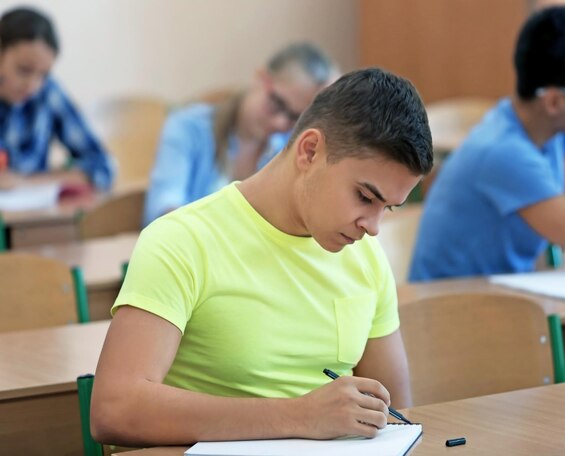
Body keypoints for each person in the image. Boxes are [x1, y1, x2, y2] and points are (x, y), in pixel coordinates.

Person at [91, 68, 433, 446]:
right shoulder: (181, 241)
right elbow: (115, 409)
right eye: (365, 197)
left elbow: (397, 417)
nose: (372, 226)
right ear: (309, 151)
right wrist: (299, 416)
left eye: (389, 208)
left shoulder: (366, 256)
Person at [409, 6, 565, 281]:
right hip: (454, 311)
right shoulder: (506, 155)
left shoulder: (534, 127)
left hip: (496, 300)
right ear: (555, 101)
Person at [143, 42, 339, 225]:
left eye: (294, 117)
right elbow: (163, 210)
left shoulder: (294, 148)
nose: (280, 122)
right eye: (277, 103)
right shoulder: (188, 127)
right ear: (261, 78)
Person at [0, 7, 114, 191]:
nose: (32, 85)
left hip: (33, 216)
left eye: (43, 75)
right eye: (24, 70)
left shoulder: (48, 94)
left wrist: (25, 183)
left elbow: (103, 166)